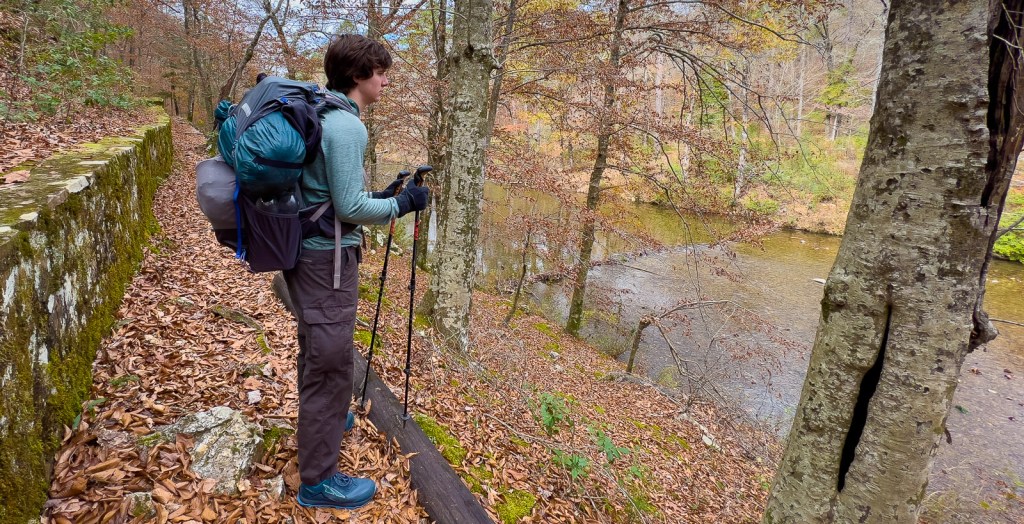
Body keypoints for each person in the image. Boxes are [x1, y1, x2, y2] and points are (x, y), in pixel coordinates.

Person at [286, 34, 428, 510]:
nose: (385, 81)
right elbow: (348, 207)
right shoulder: (347, 127)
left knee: (317, 347)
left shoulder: (325, 113)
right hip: (326, 262)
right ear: (357, 75)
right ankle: (318, 482)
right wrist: (401, 205)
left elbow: (329, 195)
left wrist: (382, 196)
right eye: (380, 72)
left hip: (307, 255)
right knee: (331, 363)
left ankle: (326, 421)